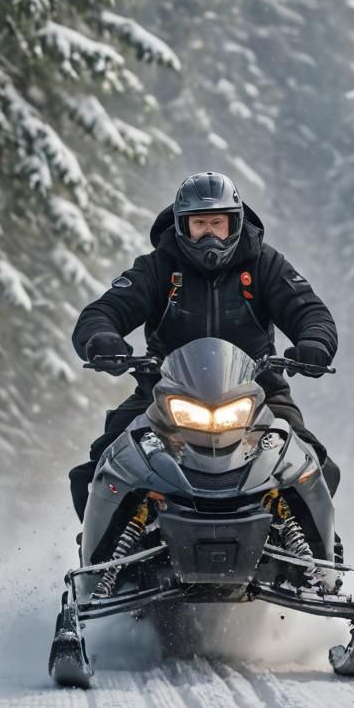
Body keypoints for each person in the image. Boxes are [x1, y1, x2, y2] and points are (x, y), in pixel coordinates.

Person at [68, 171, 338, 522]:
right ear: (183, 226)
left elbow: (309, 310)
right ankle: (103, 562)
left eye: (218, 222)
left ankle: (317, 560)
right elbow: (104, 310)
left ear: (235, 223)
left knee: (310, 461)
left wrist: (314, 342)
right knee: (103, 462)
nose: (209, 233)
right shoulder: (158, 267)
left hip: (259, 392)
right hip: (162, 394)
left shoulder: (265, 265)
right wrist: (100, 337)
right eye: (199, 223)